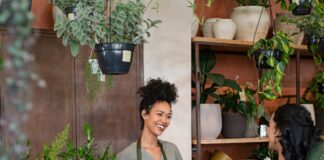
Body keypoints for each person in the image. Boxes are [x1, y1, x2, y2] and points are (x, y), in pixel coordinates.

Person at [118, 78, 183, 160]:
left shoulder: (172, 150)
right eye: (160, 114)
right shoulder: (127, 155)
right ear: (145, 114)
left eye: (168, 116)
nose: (164, 120)